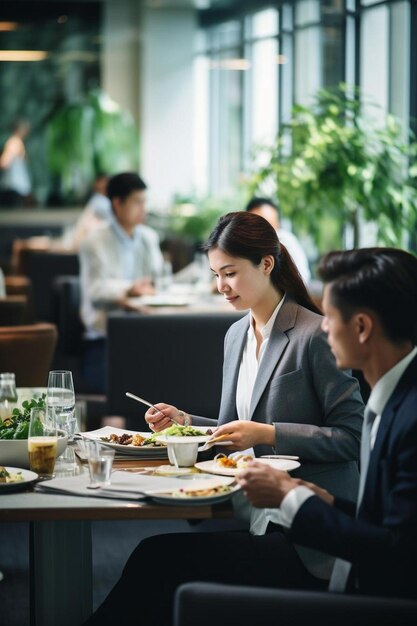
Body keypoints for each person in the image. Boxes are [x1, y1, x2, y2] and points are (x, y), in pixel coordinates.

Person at [83, 212, 364, 626]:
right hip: (255, 516)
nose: (221, 287)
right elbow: (232, 428)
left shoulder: (314, 335)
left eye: (230, 273)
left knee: (157, 561)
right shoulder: (235, 335)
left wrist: (269, 433)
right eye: (216, 274)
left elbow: (352, 436)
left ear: (266, 264)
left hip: (309, 536)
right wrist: (185, 420)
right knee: (158, 567)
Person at [236, 247, 417, 600]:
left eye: (329, 317)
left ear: (362, 327)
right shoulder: (392, 399)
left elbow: (398, 554)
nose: (322, 327)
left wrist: (292, 499)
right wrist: (327, 502)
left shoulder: (410, 418)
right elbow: (391, 524)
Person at [79, 172, 164, 391]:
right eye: (137, 202)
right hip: (105, 337)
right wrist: (130, 289)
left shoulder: (148, 238)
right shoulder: (94, 242)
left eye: (144, 202)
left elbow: (162, 281)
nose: (143, 209)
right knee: (120, 397)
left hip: (145, 332)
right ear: (117, 203)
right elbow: (95, 290)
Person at [245, 196, 311, 284]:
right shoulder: (240, 245)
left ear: (278, 225)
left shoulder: (286, 242)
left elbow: (302, 278)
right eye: (256, 226)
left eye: (269, 226)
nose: (262, 233)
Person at [69, 173, 112, 249]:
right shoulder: (98, 201)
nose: (100, 192)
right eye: (98, 189)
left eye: (103, 188)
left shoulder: (101, 202)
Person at [0, 120, 32, 207]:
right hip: (13, 183)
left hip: (15, 182)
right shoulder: (14, 142)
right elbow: (5, 161)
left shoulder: (17, 141)